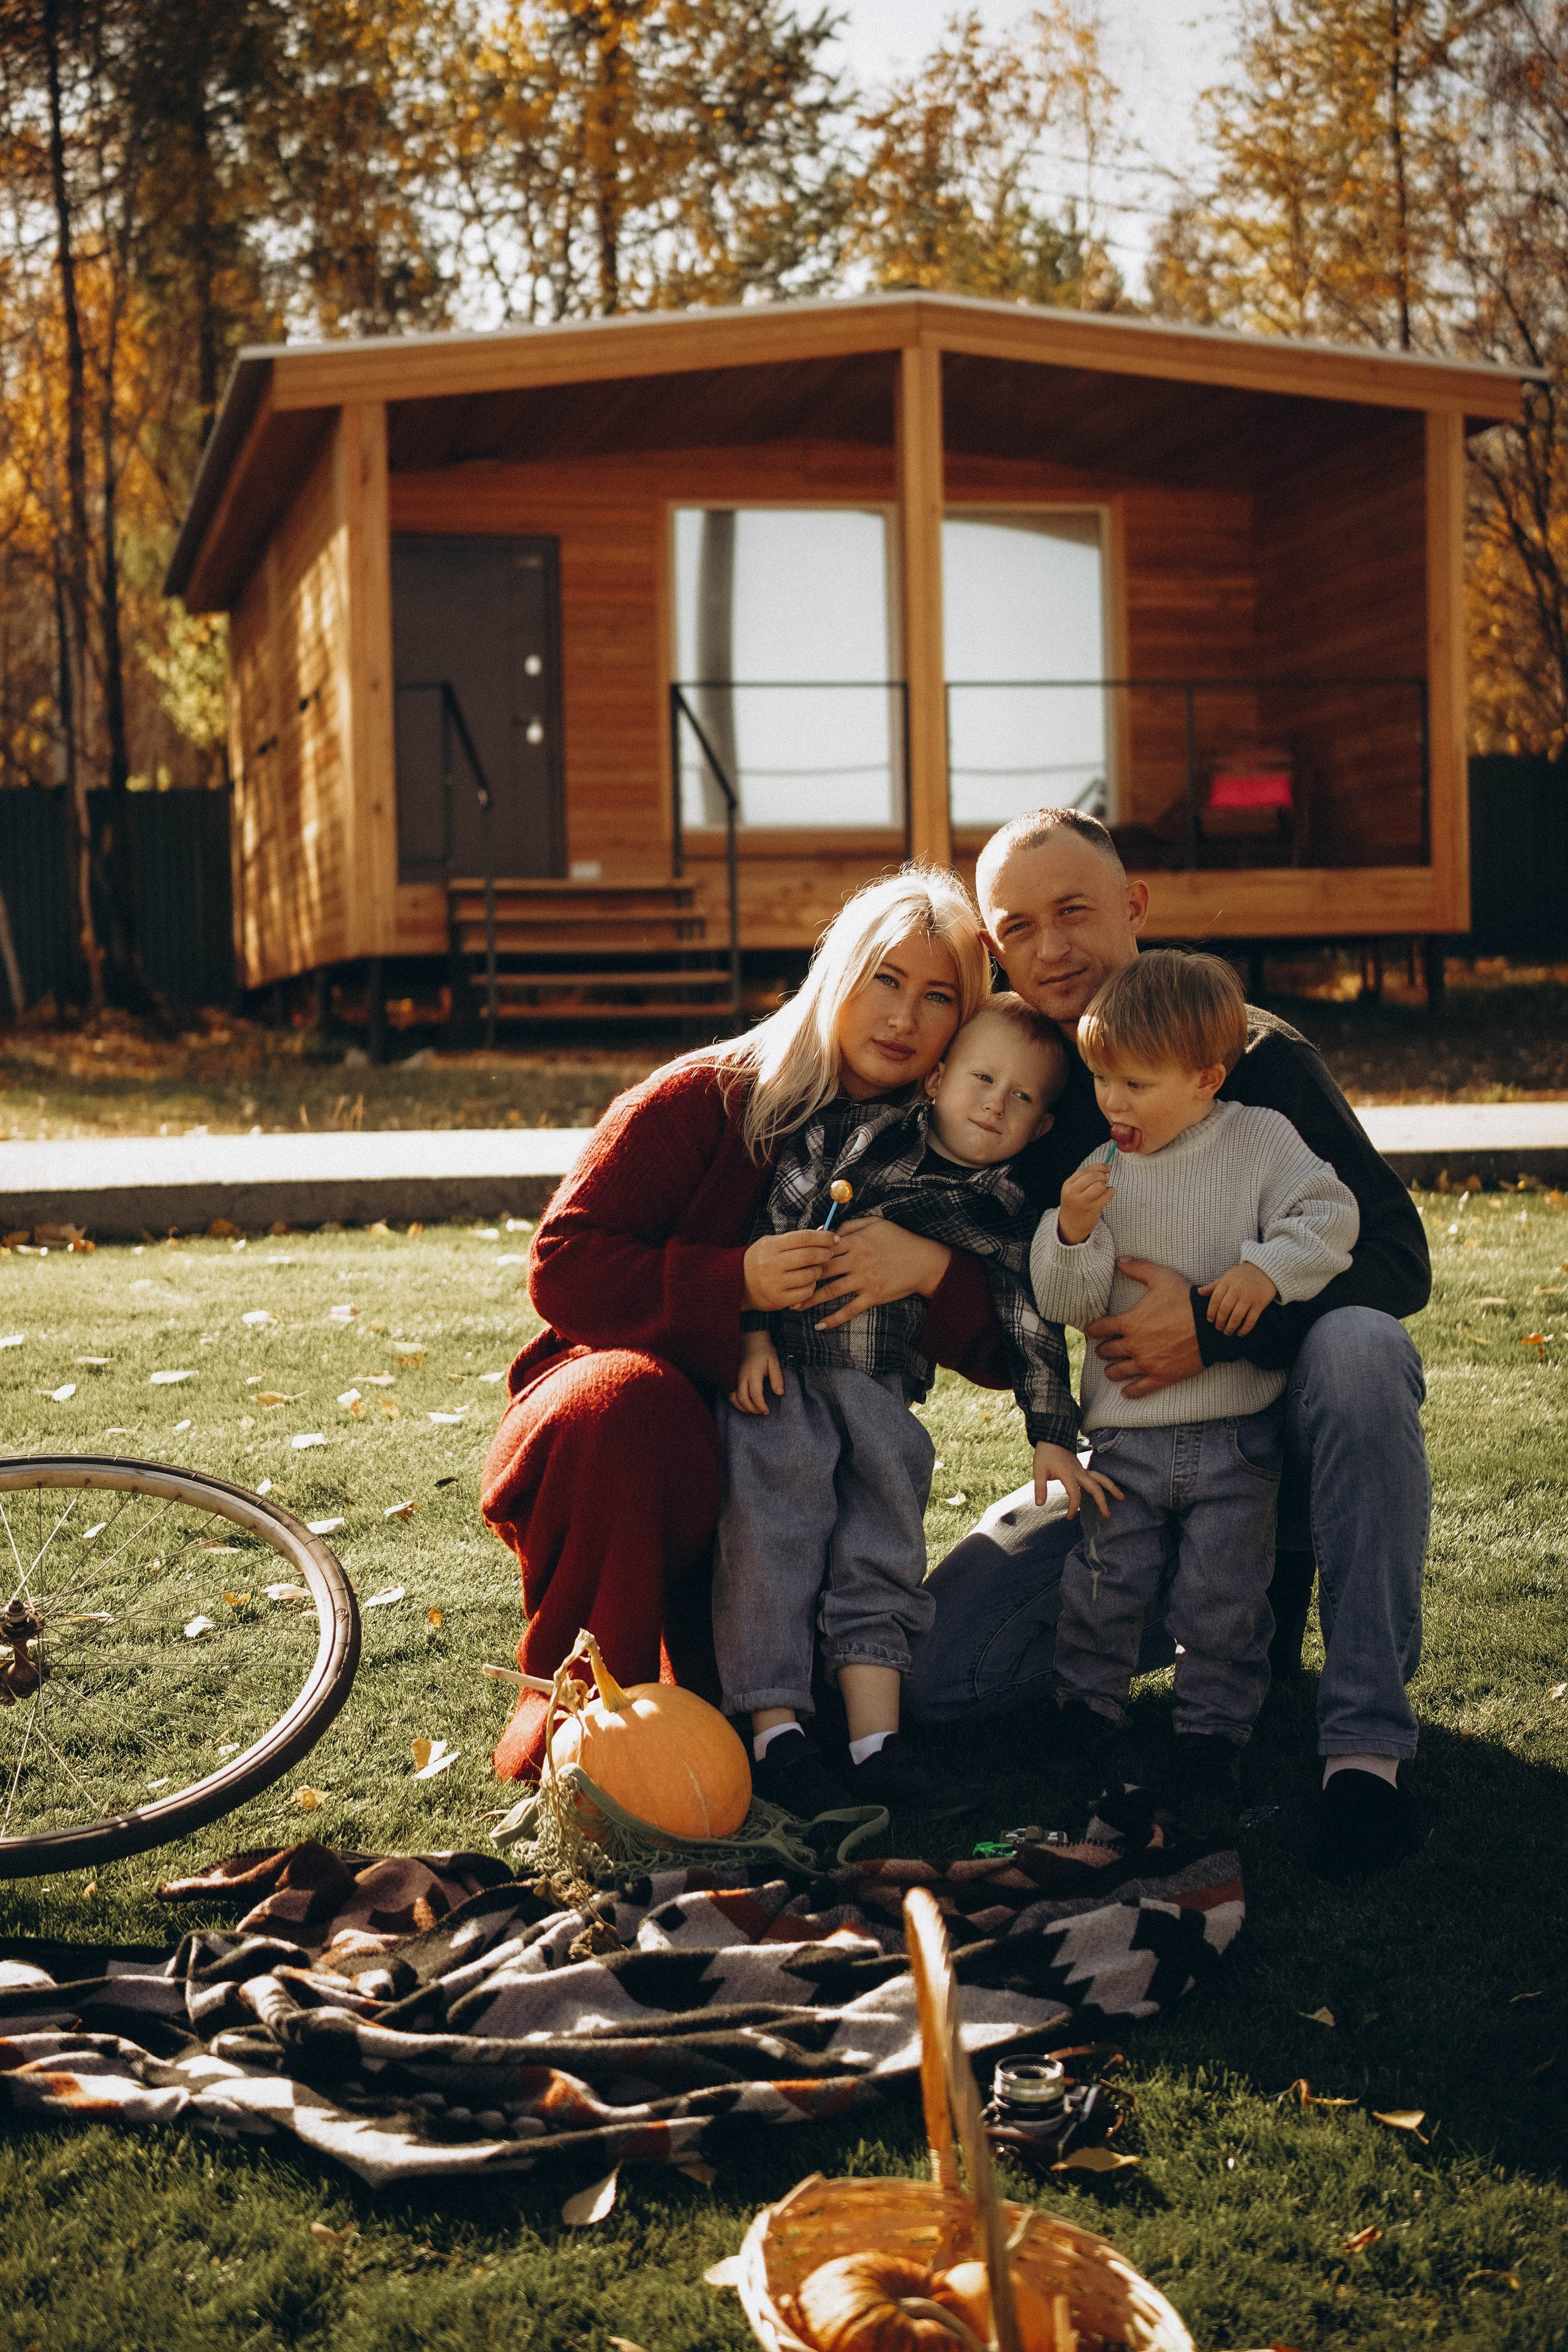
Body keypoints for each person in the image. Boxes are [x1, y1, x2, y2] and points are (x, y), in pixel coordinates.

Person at [905, 807, 1431, 1880]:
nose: (1050, 947)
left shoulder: (1256, 1064)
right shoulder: (1019, 1083)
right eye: (1018, 927)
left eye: (1075, 912)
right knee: (940, 1673)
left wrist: (1214, 1323)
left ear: (1133, 907)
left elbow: (1394, 1252)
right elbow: (1007, 1304)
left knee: (1364, 1350)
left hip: (1264, 1441)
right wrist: (916, 1258)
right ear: (993, 949)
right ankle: (1207, 1646)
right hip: (1132, 1466)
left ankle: (1363, 1746)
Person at [480, 865, 1000, 1782]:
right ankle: (584, 1713)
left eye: (938, 998)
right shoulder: (707, 1095)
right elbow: (562, 1264)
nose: (904, 1017)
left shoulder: (944, 1146)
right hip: (631, 1435)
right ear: (837, 975)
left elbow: (1008, 1342)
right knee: (624, 1398)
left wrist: (934, 1269)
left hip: (797, 1451)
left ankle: (796, 1713)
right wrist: (737, 1282)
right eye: (885, 978)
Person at [717, 991, 1099, 1819]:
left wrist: (1051, 1433)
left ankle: (873, 1742)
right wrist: (747, 1335)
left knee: (881, 1541)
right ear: (936, 1080)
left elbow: (1029, 1320)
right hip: (783, 1374)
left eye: (1022, 1096)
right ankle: (775, 1730)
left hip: (881, 1394)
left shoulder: (1002, 1213)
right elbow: (773, 1220)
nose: (996, 1100)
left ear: (1039, 1129)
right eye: (981, 1077)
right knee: (770, 1531)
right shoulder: (850, 1135)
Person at [1031, 950, 1360, 1823]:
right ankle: (1083, 1715)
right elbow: (1067, 1305)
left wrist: (1266, 1270)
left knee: (1224, 1599)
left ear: (1207, 1078)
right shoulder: (1102, 1168)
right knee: (1102, 1585)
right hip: (1125, 1441)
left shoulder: (1259, 1140)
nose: (1113, 1102)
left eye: (1136, 1084)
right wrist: (1069, 1234)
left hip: (1237, 1439)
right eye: (1102, 1078)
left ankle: (1213, 1737)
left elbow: (1331, 1216)